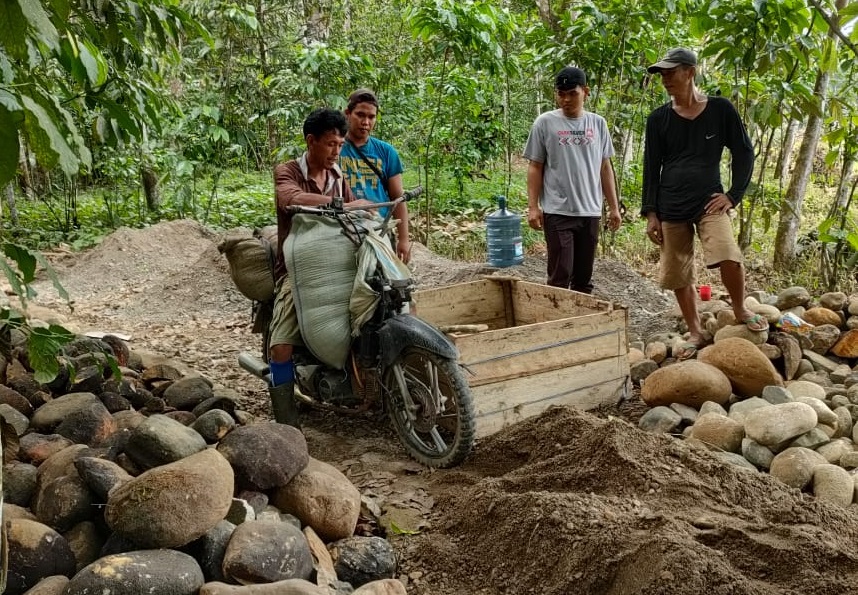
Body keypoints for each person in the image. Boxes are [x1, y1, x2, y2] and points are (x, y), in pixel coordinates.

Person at [642, 47, 766, 361]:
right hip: (671, 204)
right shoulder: (658, 119)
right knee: (678, 273)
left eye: (671, 72)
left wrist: (734, 194)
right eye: (662, 74)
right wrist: (651, 213)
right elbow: (651, 166)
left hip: (710, 201)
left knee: (727, 254)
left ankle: (739, 310)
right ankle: (696, 331)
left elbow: (744, 152)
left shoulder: (720, 109)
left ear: (691, 72)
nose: (665, 79)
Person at [269, 107, 374, 426]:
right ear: (311, 141)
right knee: (281, 346)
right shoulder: (287, 171)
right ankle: (285, 421)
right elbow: (289, 198)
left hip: (338, 265)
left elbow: (354, 213)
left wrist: (367, 214)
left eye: (341, 145)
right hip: (297, 271)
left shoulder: (338, 177)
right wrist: (340, 203)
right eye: (330, 144)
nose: (336, 151)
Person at [523, 66, 622, 293]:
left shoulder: (598, 124)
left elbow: (605, 167)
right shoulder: (545, 123)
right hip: (558, 211)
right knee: (561, 273)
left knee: (583, 277)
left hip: (590, 211)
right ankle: (557, 322)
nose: (566, 99)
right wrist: (533, 207)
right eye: (561, 94)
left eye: (572, 94)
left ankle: (580, 323)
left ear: (585, 92)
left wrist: (614, 207)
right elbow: (535, 166)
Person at [339, 88, 411, 263]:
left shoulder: (386, 152)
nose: (366, 122)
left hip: (380, 228)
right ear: (347, 114)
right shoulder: (335, 148)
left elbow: (397, 198)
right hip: (343, 228)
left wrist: (404, 239)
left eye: (371, 117)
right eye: (360, 115)